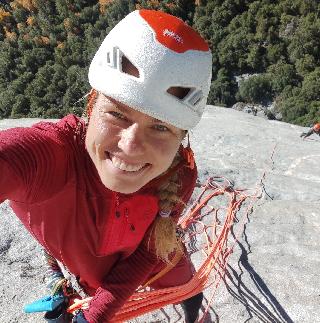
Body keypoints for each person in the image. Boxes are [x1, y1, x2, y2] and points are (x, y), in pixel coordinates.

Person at [0, 9, 212, 323]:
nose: (129, 146)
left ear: (181, 138)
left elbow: (152, 249)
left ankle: (198, 318)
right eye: (117, 114)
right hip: (83, 275)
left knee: (189, 289)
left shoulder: (180, 173)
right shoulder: (48, 157)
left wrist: (96, 313)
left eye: (160, 127)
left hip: (152, 262)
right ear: (91, 105)